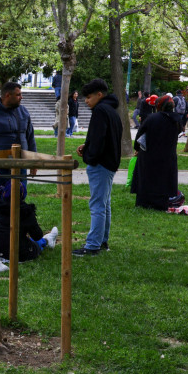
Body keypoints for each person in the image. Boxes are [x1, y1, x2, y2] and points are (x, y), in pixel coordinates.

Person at [75, 78, 123, 256]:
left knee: (97, 205)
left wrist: (89, 156)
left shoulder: (100, 111)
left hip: (101, 164)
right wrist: (87, 147)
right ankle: (101, 241)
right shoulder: (111, 110)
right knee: (104, 204)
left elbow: (99, 140)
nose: (86, 101)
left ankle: (93, 245)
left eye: (88, 97)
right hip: (109, 163)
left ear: (99, 95)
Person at [131, 94, 180, 211]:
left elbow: (140, 135)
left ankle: (145, 203)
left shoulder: (152, 118)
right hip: (168, 156)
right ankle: (161, 204)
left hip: (149, 155)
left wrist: (137, 148)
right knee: (163, 181)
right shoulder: (176, 120)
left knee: (147, 179)